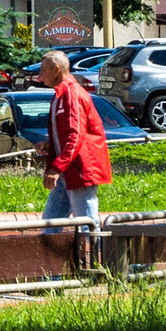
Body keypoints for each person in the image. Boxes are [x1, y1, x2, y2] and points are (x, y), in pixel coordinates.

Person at [37, 50, 112, 228]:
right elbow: (70, 134)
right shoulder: (61, 94)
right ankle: (53, 255)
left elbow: (75, 135)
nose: (39, 75)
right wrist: (50, 146)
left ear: (56, 69)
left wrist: (56, 168)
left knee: (87, 223)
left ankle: (95, 254)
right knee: (50, 225)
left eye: (42, 70)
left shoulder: (71, 94)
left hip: (80, 169)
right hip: (67, 170)